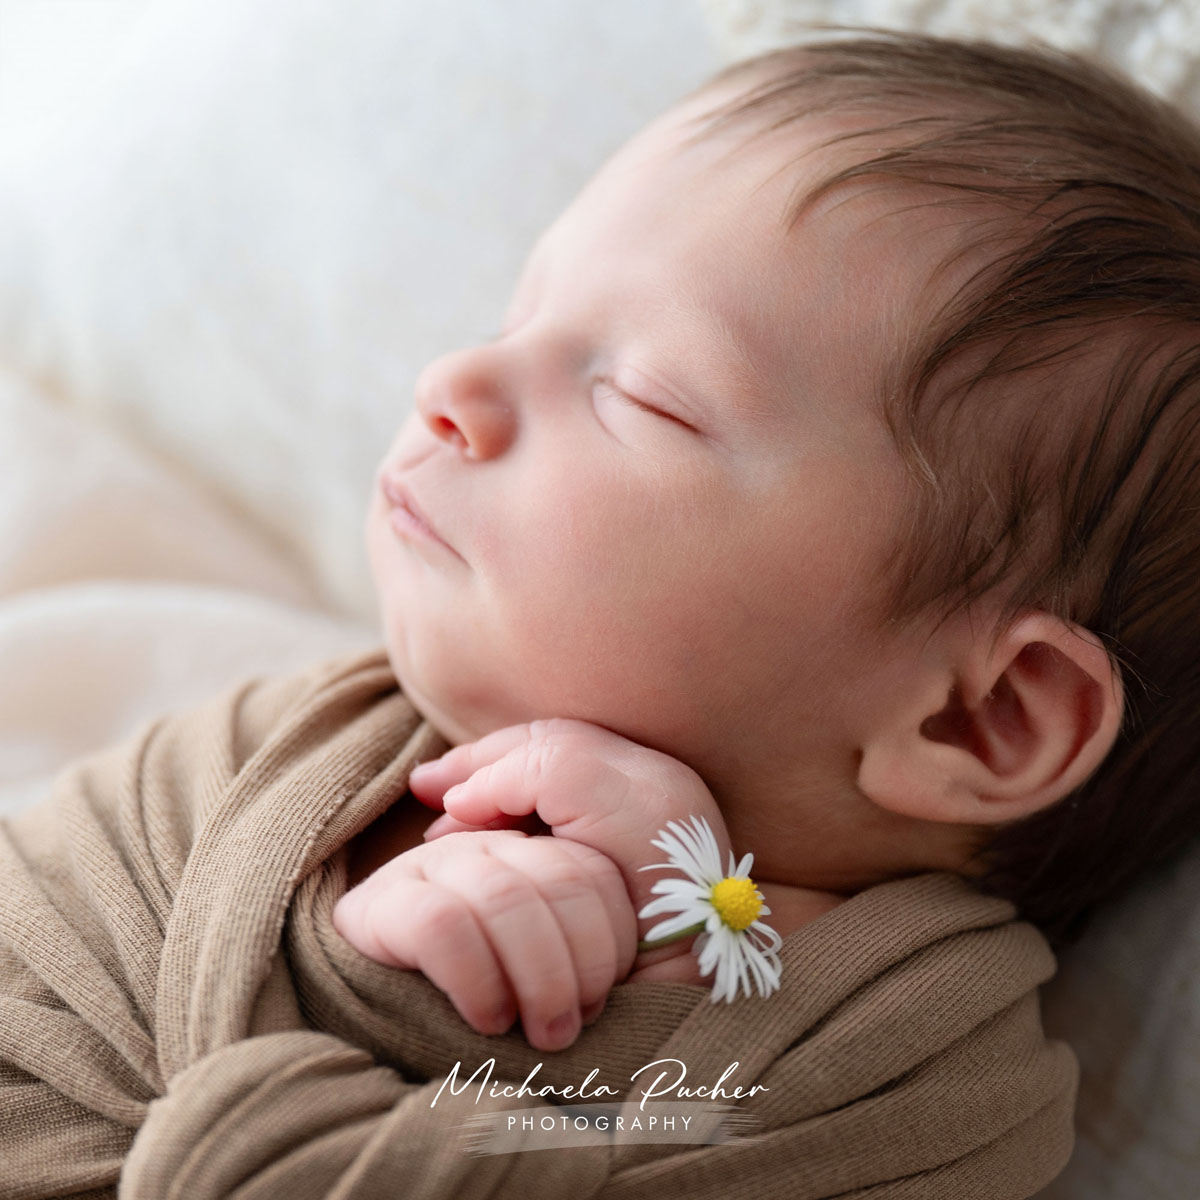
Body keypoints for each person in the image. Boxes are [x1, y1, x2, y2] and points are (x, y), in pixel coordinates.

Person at [6, 26, 1200, 1198]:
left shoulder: (914, 1092)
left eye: (640, 395)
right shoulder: (297, 746)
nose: (451, 384)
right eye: (514, 318)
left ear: (979, 721)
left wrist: (573, 992)